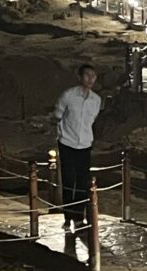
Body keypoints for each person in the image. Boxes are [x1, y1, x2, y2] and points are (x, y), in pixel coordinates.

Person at [54, 64, 101, 231]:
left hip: (85, 144)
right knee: (68, 180)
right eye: (87, 75)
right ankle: (67, 218)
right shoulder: (68, 96)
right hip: (67, 142)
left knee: (82, 182)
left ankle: (79, 216)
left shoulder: (96, 100)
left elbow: (92, 119)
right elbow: (58, 115)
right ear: (80, 77)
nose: (90, 79)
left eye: (93, 76)